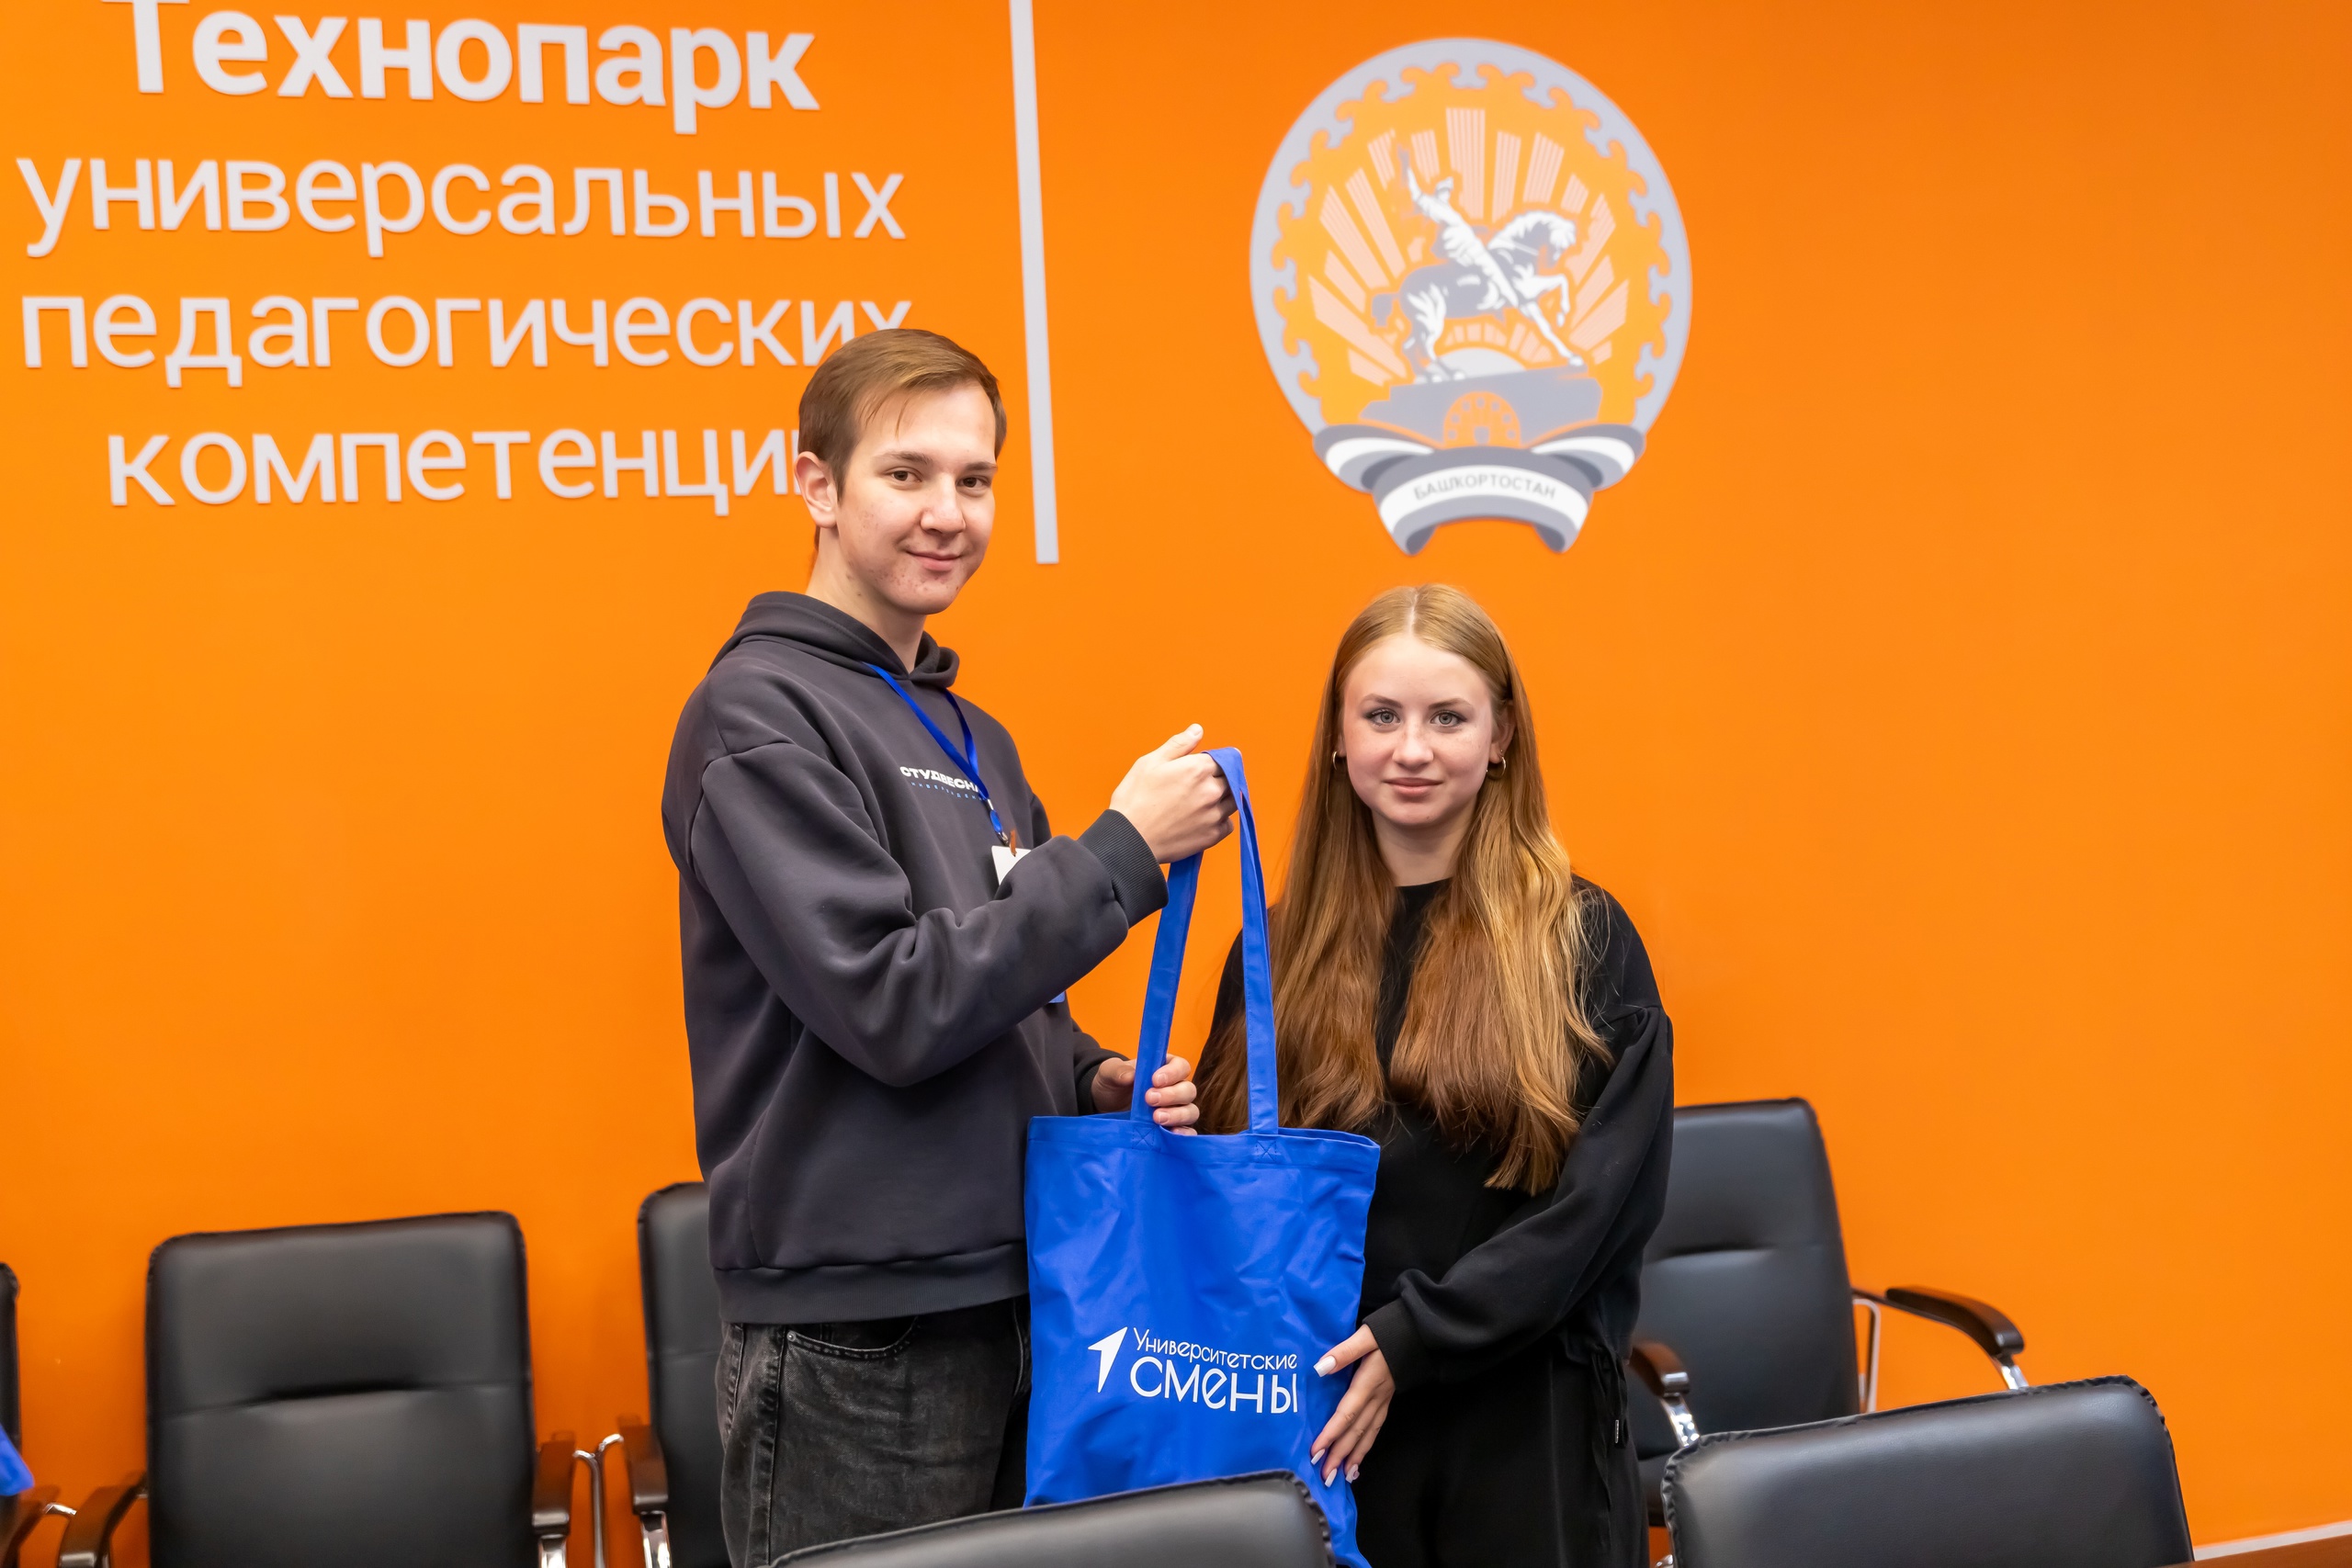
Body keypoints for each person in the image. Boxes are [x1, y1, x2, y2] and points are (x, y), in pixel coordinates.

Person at [662, 328, 1232, 1565]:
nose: (947, 513)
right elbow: (888, 1003)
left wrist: (1083, 1073)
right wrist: (1122, 852)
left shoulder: (973, 733)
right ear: (815, 485)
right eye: (906, 473)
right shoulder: (756, 712)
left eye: (974, 480)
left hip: (1022, 1294)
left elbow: (993, 979)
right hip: (860, 1336)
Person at [1193, 583, 1674, 1568]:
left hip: (1522, 1434)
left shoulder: (1581, 939)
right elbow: (1233, 1195)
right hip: (1323, 1423)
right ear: (1338, 739)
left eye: (1447, 717)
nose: (1411, 749)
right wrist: (1178, 1126)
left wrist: (1419, 1335)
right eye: (1381, 716)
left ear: (1501, 737)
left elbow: (1596, 1214)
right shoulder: (1274, 951)